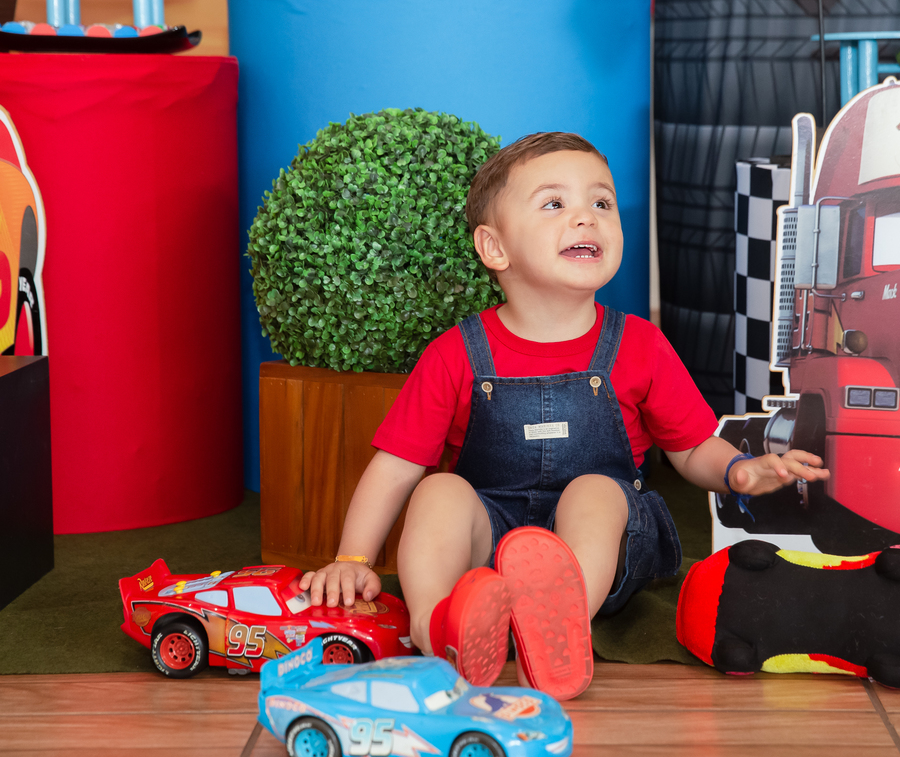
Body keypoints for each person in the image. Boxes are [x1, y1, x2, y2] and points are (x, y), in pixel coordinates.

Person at [299, 132, 828, 699]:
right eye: (555, 203)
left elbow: (692, 446)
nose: (585, 217)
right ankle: (441, 630)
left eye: (601, 202)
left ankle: (555, 631)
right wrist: (352, 558)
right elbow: (396, 467)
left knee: (596, 490)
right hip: (491, 536)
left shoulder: (640, 345)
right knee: (438, 491)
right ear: (494, 248)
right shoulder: (455, 354)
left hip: (601, 550)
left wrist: (737, 471)